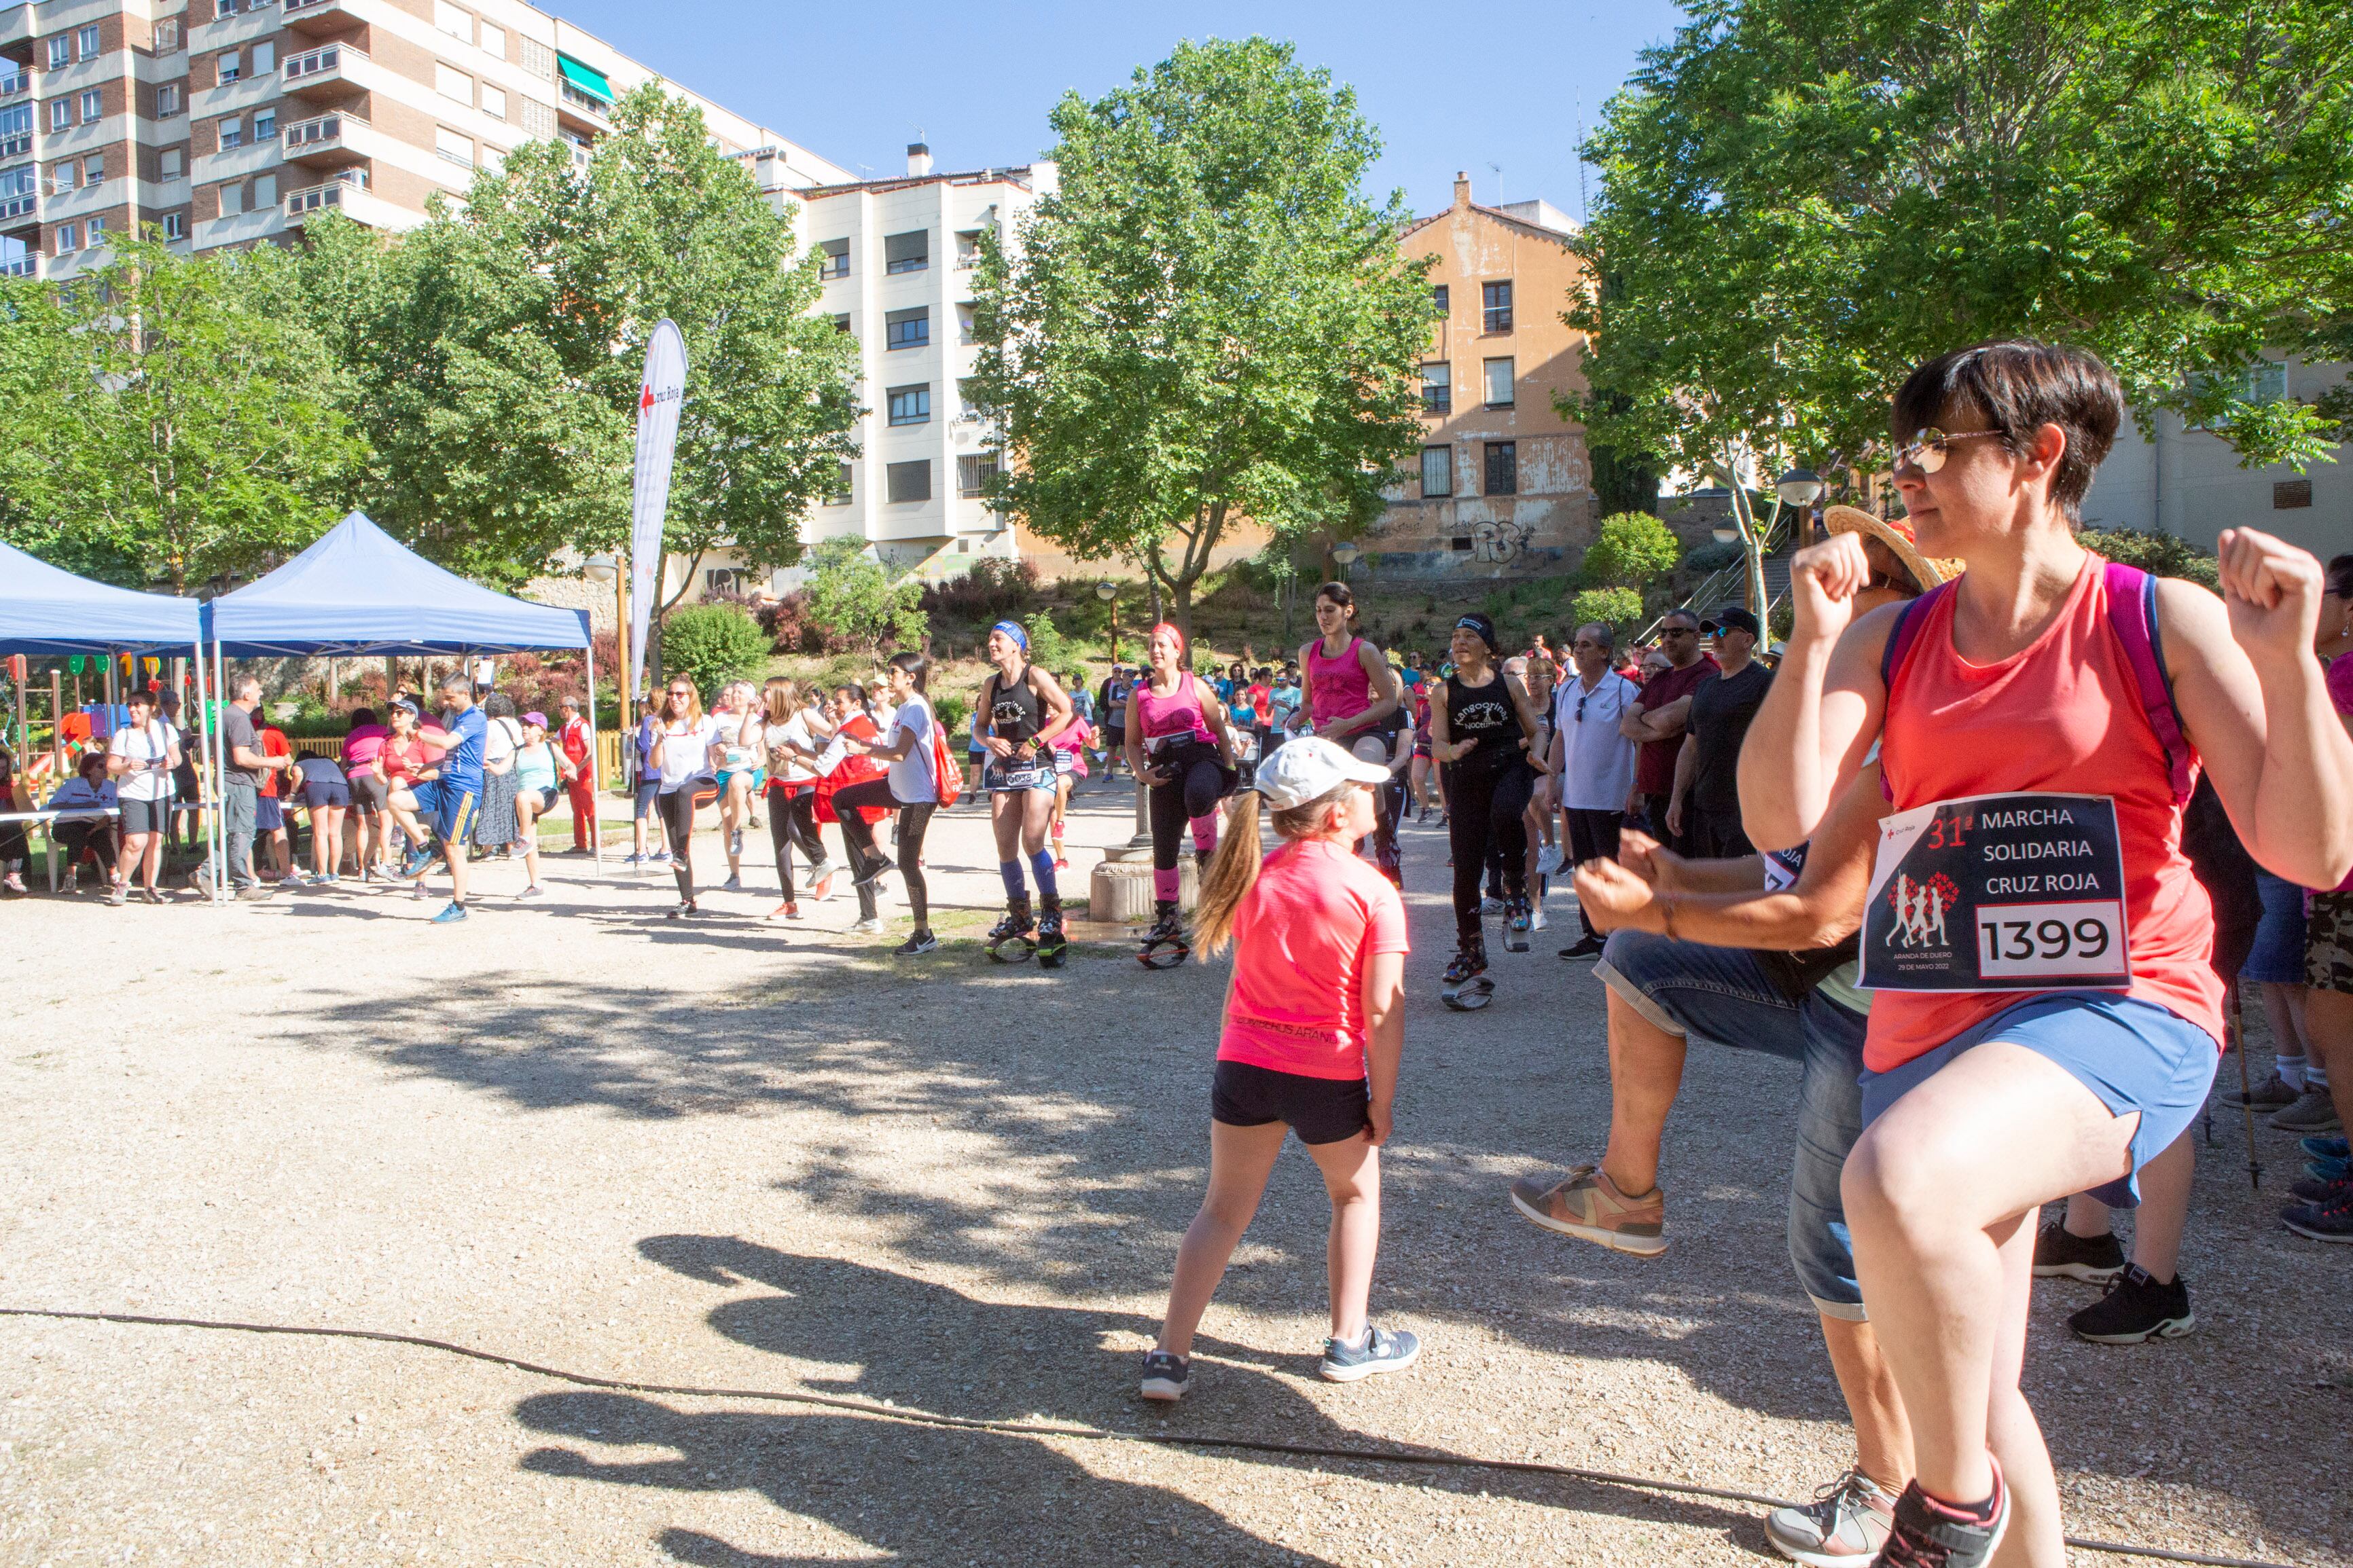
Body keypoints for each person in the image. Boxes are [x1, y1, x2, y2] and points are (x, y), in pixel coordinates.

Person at [1740, 340, 2353, 1564]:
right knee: (1971, 1385)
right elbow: (1774, 816)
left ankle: (1945, 1510)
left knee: (1891, 1178)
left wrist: (2285, 665)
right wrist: (1807, 641)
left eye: (1935, 446)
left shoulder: (2152, 615)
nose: (1905, 473)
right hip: (1930, 1019)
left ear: (2036, 455)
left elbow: (2307, 850)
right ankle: (1984, 1506)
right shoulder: (1891, 637)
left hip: (2119, 1001)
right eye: (1903, 445)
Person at [1139, 737, 1416, 1402]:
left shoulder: (1252, 876)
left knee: (1221, 1209)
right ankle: (1348, 1340)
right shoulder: (1371, 890)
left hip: (1245, 1064)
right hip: (1328, 1071)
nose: (1373, 794)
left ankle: (1168, 1357)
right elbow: (1381, 1009)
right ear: (1334, 813)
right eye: (1360, 786)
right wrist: (1381, 1099)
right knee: (1353, 1195)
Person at [1429, 612, 1549, 993]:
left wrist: (1537, 755)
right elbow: (1438, 746)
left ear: (1488, 647)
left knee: (1505, 813)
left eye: (1468, 636)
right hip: (1466, 777)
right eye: (1455, 635)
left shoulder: (1509, 684)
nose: (1459, 642)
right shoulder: (1443, 691)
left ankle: (1515, 891)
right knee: (1465, 869)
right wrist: (1452, 750)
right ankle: (1471, 949)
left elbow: (1536, 731)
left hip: (1510, 768)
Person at [1126, 622, 1242, 965]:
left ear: (1178, 651)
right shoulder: (1139, 695)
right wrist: (1142, 773)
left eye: (1162, 645)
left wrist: (1231, 774)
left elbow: (1220, 731)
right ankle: (1168, 919)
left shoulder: (1195, 685)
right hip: (1163, 771)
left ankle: (1208, 858)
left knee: (1199, 792)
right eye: (1151, 646)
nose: (1155, 651)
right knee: (1164, 850)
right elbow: (1132, 743)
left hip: (1201, 760)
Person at [976, 621, 1076, 958]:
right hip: (1006, 770)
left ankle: (1052, 913)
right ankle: (1019, 915)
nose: (992, 644)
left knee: (1032, 839)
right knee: (1005, 845)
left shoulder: (1035, 677)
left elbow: (1067, 712)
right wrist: (989, 739)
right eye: (991, 639)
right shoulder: (991, 684)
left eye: (998, 639)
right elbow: (978, 727)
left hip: (1038, 765)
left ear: (1016, 645)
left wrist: (1037, 741)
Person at [1297, 582, 1407, 887]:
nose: (1323, 617)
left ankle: (1385, 842)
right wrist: (1294, 720)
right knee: (1325, 797)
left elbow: (1388, 702)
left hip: (1364, 731)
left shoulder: (1365, 650)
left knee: (1363, 771)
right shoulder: (1308, 652)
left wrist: (1348, 724)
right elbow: (1307, 703)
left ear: (1348, 611)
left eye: (1330, 610)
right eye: (1319, 611)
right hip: (1326, 736)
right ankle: (1344, 854)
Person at [834, 652, 944, 957]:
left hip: (919, 797)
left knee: (909, 864)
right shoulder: (904, 708)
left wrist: (863, 748)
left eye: (893, 671)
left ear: (911, 677)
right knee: (842, 799)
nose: (889, 676)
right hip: (898, 789)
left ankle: (923, 933)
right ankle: (875, 858)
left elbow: (899, 754)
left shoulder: (916, 707)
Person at [1548, 622, 1642, 960]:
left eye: (1587, 644)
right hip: (1576, 796)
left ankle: (1620, 938)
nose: (1579, 649)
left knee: (1611, 868)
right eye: (1577, 643)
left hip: (1612, 796)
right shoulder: (1568, 690)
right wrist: (1552, 783)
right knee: (1584, 870)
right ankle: (1593, 934)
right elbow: (1559, 738)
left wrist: (1636, 786)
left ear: (1605, 652)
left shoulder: (1623, 691)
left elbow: (1639, 741)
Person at [1669, 605, 1772, 858]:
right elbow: (1690, 746)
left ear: (1748, 639)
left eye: (1723, 631)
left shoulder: (1766, 683)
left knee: (1739, 892)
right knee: (1708, 887)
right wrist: (1677, 798)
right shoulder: (1705, 686)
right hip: (1705, 806)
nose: (1715, 638)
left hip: (1746, 808)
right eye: (1711, 633)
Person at [384, 676, 484, 923]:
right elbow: (454, 755)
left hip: (463, 789)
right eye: (445, 698)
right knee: (396, 801)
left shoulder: (475, 718)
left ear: (465, 695)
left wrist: (417, 734)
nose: (447, 702)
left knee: (455, 849)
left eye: (450, 697)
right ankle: (425, 848)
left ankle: (459, 906)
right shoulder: (457, 717)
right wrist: (426, 766)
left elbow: (448, 742)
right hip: (444, 782)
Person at [1618, 608, 1716, 851]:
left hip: (1689, 794)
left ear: (1695, 636)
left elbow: (1670, 719)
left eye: (1676, 632)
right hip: (1654, 791)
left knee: (1686, 873)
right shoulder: (1662, 678)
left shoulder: (1707, 674)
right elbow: (1627, 726)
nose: (1668, 639)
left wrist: (1648, 719)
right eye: (1663, 633)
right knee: (1661, 875)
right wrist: (1636, 785)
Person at [646, 678, 728, 919]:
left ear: (691, 696)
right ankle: (688, 900)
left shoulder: (705, 722)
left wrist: (722, 754)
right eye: (671, 694)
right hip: (669, 789)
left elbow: (717, 758)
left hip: (703, 783)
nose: (674, 699)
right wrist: (660, 738)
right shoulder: (660, 724)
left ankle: (681, 852)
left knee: (685, 792)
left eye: (680, 694)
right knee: (675, 846)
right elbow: (654, 764)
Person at [208, 677, 291, 901]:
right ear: (246, 695)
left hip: (231, 781)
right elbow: (242, 757)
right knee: (242, 834)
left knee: (237, 833)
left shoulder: (226, 716)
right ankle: (214, 874)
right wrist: (272, 762)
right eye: (257, 689)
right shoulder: (239, 719)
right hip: (239, 782)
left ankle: (231, 880)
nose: (261, 692)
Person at [758, 677, 833, 919]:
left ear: (779, 693)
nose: (762, 695)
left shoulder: (804, 715)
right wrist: (751, 713)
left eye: (765, 691)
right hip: (778, 783)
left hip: (806, 781)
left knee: (794, 828)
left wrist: (833, 717)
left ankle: (822, 863)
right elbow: (744, 740)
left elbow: (834, 733)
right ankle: (789, 904)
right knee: (780, 846)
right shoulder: (765, 721)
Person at [105, 687, 179, 905]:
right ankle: (123, 884)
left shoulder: (166, 730)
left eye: (137, 704)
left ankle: (150, 888)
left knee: (155, 841)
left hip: (162, 791)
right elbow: (112, 765)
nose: (132, 709)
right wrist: (127, 766)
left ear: (152, 708)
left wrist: (171, 763)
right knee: (136, 841)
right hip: (133, 793)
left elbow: (177, 758)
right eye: (130, 704)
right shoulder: (123, 734)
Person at [711, 680, 764, 892]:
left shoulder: (758, 719)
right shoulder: (719, 718)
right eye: (732, 693)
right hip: (725, 770)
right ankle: (734, 875)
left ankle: (738, 830)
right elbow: (713, 745)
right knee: (726, 823)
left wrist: (763, 760)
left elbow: (764, 749)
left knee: (738, 781)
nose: (735, 696)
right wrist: (719, 750)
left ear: (750, 697)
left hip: (749, 770)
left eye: (740, 693)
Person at [507, 711, 566, 899]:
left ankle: (522, 838)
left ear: (541, 730)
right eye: (523, 724)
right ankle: (536, 885)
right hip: (526, 804)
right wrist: (486, 765)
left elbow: (569, 764)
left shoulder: (550, 747)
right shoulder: (517, 751)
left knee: (522, 796)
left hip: (546, 794)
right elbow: (500, 768)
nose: (525, 728)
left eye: (530, 725)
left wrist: (572, 771)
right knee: (530, 845)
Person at [47, 752, 120, 892]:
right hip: (66, 825)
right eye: (100, 766)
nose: (105, 769)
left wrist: (100, 824)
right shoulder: (73, 785)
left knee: (102, 838)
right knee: (78, 836)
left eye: (107, 766)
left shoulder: (111, 787)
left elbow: (114, 810)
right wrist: (82, 806)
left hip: (95, 825)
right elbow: (53, 805)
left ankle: (115, 877)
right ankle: (70, 877)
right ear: (88, 770)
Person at [472, 692, 526, 864]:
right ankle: (512, 847)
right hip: (513, 768)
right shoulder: (516, 724)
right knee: (511, 809)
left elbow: (484, 752)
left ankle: (489, 849)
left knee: (491, 807)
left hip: (494, 767)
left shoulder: (491, 725)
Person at [341, 708, 392, 881]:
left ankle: (362, 869)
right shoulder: (383, 732)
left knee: (363, 826)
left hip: (354, 776)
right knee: (386, 822)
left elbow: (344, 765)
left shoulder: (351, 736)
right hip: (374, 773)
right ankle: (387, 863)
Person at [290, 747, 351, 888]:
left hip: (317, 787)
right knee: (335, 833)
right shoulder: (328, 762)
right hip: (341, 786)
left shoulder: (300, 764)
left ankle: (322, 874)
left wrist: (293, 793)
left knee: (321, 833)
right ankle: (335, 873)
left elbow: (298, 775)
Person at [1048, 708, 1091, 870]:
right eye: (1048, 704)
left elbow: (1094, 744)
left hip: (1074, 769)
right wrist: (1046, 748)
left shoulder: (1076, 722)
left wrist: (1093, 737)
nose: (1050, 707)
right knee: (1051, 813)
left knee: (1060, 784)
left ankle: (1061, 822)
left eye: (1054, 704)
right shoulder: (1044, 725)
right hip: (1052, 771)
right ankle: (1062, 860)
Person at [253, 719, 293, 883]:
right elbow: (287, 760)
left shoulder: (237, 728)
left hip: (244, 787)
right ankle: (285, 872)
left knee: (246, 833)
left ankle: (249, 873)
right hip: (266, 788)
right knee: (278, 830)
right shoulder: (273, 732)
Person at [556, 695, 596, 855]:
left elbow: (590, 752)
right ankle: (580, 843)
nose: (559, 711)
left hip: (583, 775)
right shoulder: (565, 728)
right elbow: (553, 742)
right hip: (571, 776)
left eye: (560, 707)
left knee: (590, 809)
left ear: (567, 708)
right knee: (577, 809)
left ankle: (596, 843)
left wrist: (577, 769)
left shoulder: (583, 726)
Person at [1100, 665, 1133, 779]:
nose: (1131, 678)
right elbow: (1111, 703)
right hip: (1114, 722)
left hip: (1127, 723)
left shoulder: (1133, 691)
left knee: (1129, 746)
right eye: (1130, 676)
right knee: (1111, 747)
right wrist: (1126, 704)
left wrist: (1122, 702)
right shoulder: (1115, 688)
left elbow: (1134, 706)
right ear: (1124, 677)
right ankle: (1109, 773)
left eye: (1133, 676)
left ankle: (1133, 771)